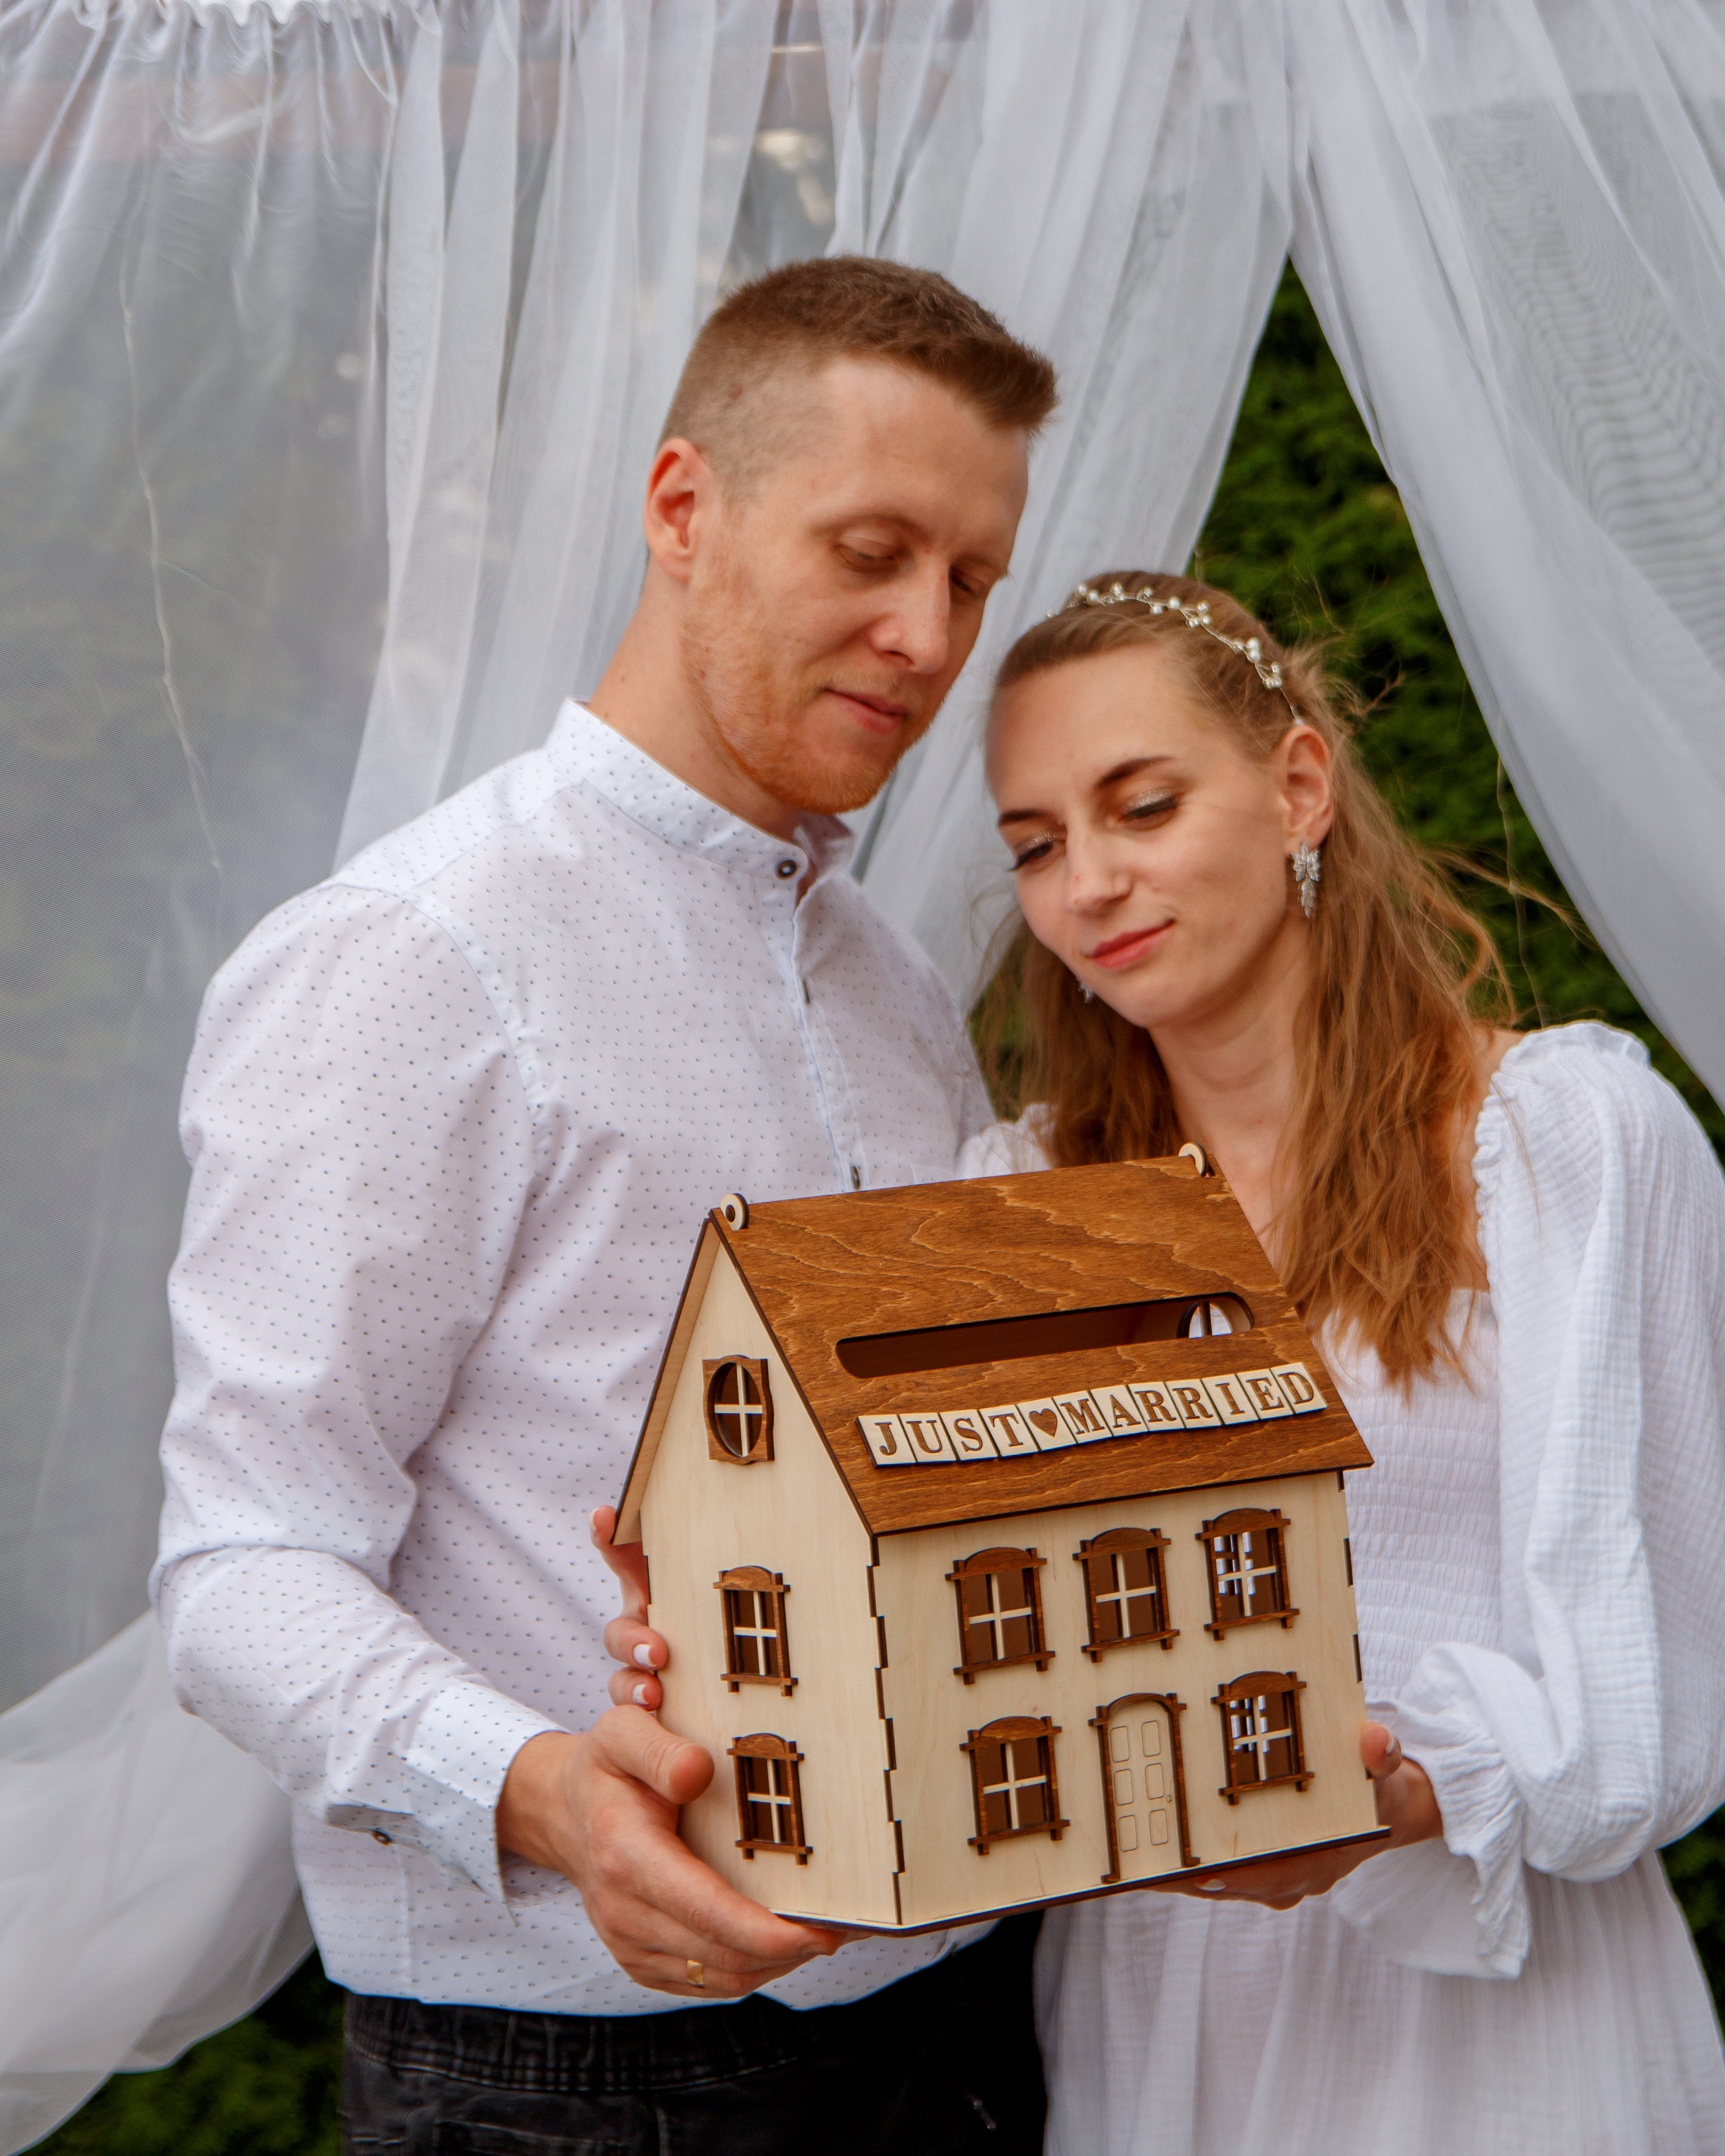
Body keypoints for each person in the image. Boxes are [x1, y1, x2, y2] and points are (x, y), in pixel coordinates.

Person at [150, 258, 1057, 2155]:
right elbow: (239, 1563)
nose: (924, 633)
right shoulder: (411, 959)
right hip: (568, 2077)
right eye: (873, 549)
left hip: (968, 2026)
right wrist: (541, 1787)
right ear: (681, 509)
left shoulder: (895, 981)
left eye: (969, 580)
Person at [957, 568, 1725, 2153]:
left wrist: (1407, 1784)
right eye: (1036, 844)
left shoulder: (1568, 1145)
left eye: (1142, 804)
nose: (1089, 881)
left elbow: (1679, 1674)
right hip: (1163, 2011)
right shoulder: (1024, 1210)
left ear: (1297, 782)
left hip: (1506, 2020)